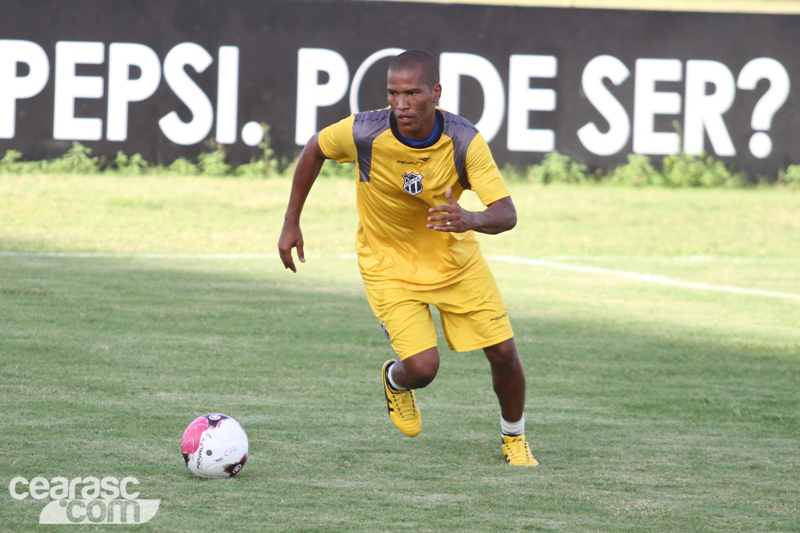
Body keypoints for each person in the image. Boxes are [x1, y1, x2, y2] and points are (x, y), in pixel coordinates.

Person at [278, 50, 537, 466]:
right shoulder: (364, 132)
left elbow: (507, 213)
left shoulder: (464, 140)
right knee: (422, 369)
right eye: (393, 93)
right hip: (388, 265)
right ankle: (395, 382)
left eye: (412, 93)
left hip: (455, 265)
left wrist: (469, 218)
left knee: (504, 354)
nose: (400, 104)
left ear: (435, 93)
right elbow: (314, 150)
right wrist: (291, 223)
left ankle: (514, 439)